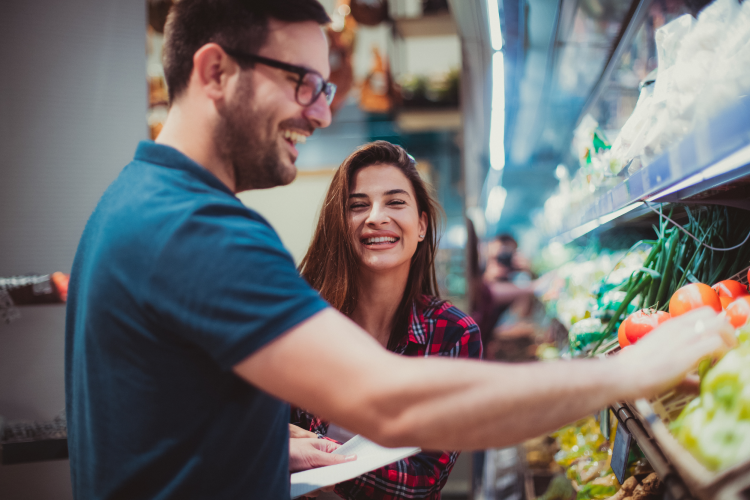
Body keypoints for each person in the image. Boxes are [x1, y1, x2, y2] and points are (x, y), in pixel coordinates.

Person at [65, 1, 737, 499]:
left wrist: (266, 448)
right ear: (215, 71)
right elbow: (392, 403)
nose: (323, 113)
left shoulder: (131, 204)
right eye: (303, 82)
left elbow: (164, 429)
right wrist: (628, 373)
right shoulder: (197, 230)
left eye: (325, 89)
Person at [292, 141, 482, 499]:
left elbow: (426, 479)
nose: (376, 216)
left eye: (395, 202)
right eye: (357, 205)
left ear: (422, 224)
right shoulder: (301, 324)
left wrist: (317, 455)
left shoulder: (452, 333)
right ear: (340, 224)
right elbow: (258, 434)